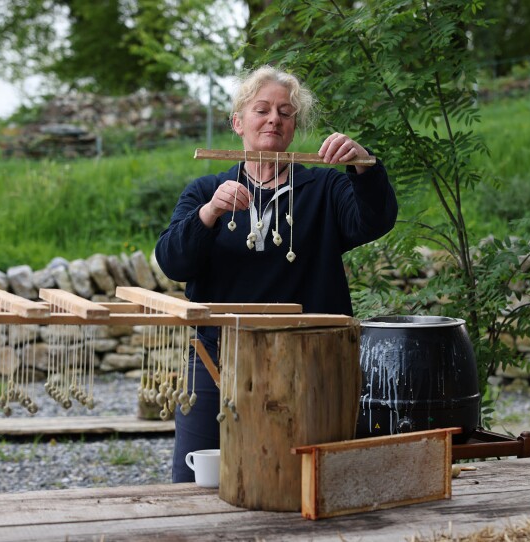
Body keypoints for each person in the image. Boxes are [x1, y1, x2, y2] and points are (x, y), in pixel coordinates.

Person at [154, 65, 398, 483]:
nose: (274, 119)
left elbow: (375, 219)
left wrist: (362, 166)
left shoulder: (324, 189)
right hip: (216, 360)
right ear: (238, 122)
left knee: (299, 481)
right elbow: (174, 262)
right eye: (262, 109)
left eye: (286, 112)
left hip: (309, 362)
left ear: (294, 126)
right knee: (200, 479)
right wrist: (209, 213)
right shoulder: (204, 190)